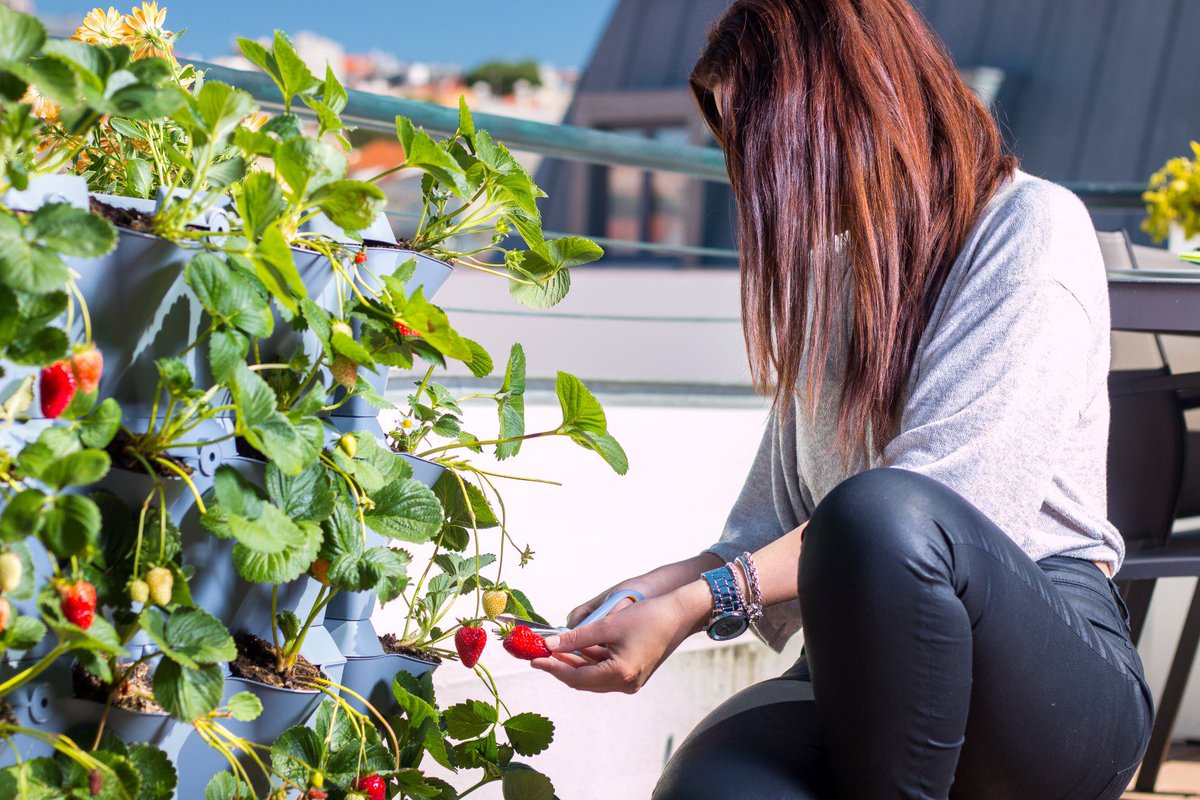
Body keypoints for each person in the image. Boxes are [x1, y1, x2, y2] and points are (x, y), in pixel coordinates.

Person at [529, 0, 1154, 797]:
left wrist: (694, 605)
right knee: (709, 790)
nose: (754, 173)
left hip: (1045, 685)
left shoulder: (1030, 225)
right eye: (738, 146)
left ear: (848, 103)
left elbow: (934, 508)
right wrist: (651, 594)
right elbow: (770, 528)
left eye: (766, 138)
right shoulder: (832, 279)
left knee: (879, 510)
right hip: (853, 667)